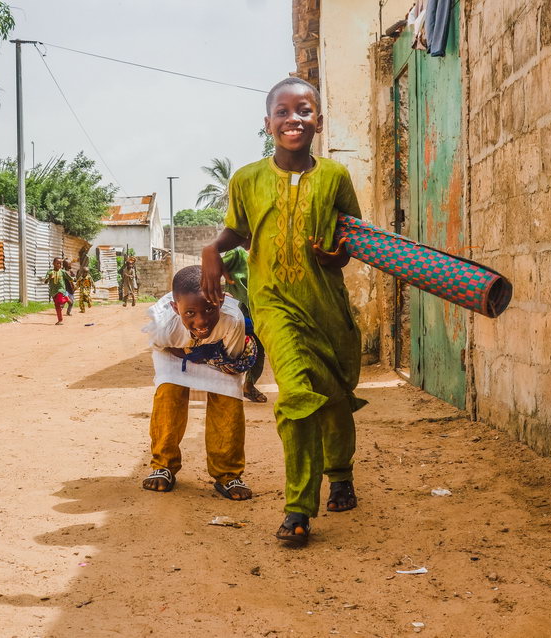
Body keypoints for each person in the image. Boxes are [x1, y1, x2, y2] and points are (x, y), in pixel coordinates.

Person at [201, 77, 365, 547]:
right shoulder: (246, 180)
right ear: (268, 123)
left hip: (326, 304)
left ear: (318, 119)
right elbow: (236, 229)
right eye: (283, 111)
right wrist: (213, 247)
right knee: (296, 395)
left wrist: (337, 256)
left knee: (333, 395)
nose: (294, 118)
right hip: (274, 303)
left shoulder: (334, 177)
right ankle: (298, 507)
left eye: (304, 110)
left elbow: (352, 238)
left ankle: (340, 474)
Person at [142, 265, 258, 501]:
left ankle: (227, 473)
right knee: (169, 394)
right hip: (173, 354)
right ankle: (163, 465)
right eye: (190, 313)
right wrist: (191, 351)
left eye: (209, 309)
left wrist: (209, 355)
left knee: (228, 401)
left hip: (219, 356)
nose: (202, 320)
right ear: (176, 308)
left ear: (221, 300)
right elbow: (162, 349)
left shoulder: (232, 320)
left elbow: (232, 358)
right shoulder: (165, 325)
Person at [221, 247, 268, 403]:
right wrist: (217, 291)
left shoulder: (261, 255)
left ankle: (248, 385)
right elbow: (213, 267)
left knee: (259, 350)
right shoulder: (236, 253)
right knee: (231, 350)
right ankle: (223, 389)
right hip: (238, 311)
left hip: (258, 311)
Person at [44, 257, 71, 325]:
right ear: (53, 263)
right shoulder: (50, 272)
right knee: (57, 306)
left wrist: (74, 280)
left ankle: (66, 298)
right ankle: (60, 320)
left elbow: (69, 278)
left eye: (60, 263)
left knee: (60, 301)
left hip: (61, 289)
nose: (59, 265)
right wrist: (49, 278)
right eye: (57, 263)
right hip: (53, 291)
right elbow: (45, 282)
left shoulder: (62, 272)